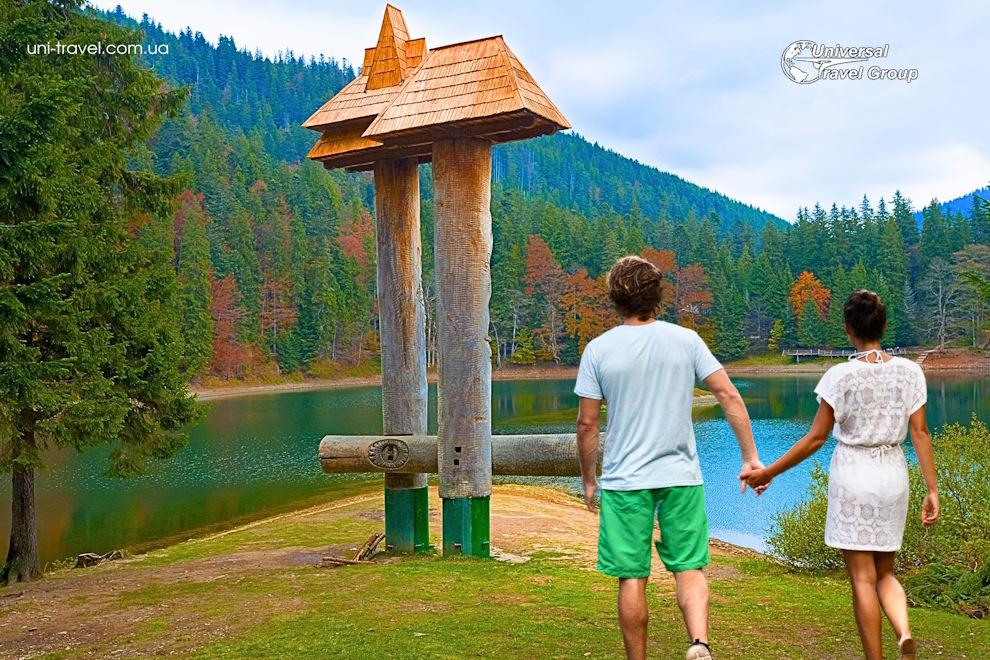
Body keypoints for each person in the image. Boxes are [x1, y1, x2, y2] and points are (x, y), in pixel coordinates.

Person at [575, 255, 767, 660]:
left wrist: (590, 479)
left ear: (615, 298)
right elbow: (729, 395)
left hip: (625, 481)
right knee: (688, 567)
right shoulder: (686, 340)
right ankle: (699, 643)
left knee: (631, 577)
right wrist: (750, 457)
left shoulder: (598, 349)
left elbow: (587, 425)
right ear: (657, 296)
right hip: (681, 475)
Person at [741, 290, 939, 660]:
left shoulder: (840, 376)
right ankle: (904, 632)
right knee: (886, 573)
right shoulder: (910, 372)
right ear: (883, 326)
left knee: (863, 578)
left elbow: (816, 438)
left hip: (854, 476)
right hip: (893, 476)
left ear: (848, 328)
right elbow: (920, 433)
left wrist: (770, 472)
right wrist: (932, 489)